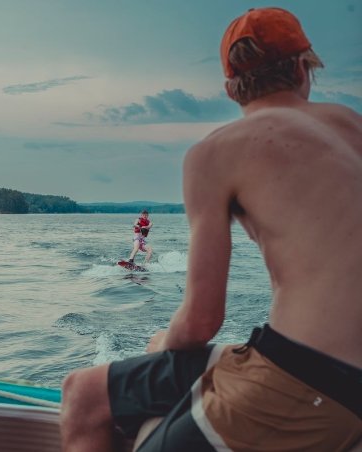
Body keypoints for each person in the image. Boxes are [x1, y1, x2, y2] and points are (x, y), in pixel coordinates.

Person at [61, 7, 362, 451]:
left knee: (83, 398)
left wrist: (168, 343)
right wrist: (162, 345)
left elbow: (201, 320)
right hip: (322, 371)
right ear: (303, 69)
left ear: (229, 88)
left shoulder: (216, 153)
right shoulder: (352, 126)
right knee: (112, 374)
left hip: (307, 381)